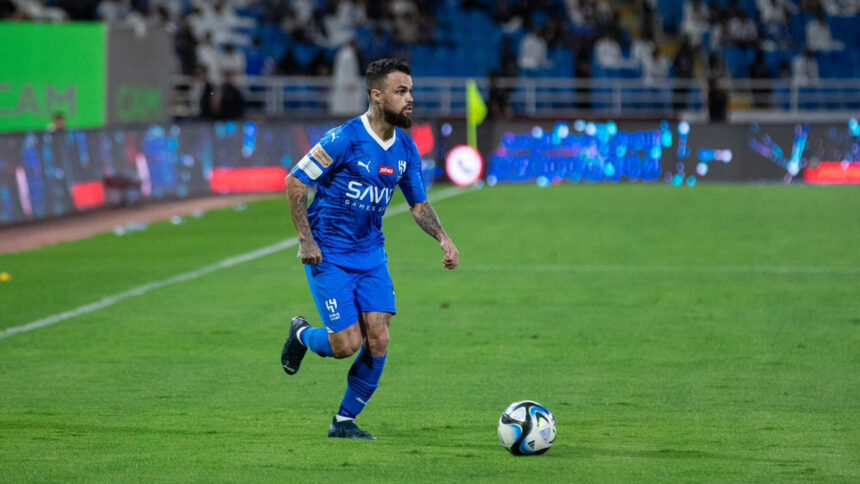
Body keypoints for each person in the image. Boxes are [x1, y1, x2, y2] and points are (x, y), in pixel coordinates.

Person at [281, 59, 460, 440]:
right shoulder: (343, 139)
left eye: (411, 91)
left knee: (378, 337)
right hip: (328, 254)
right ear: (376, 96)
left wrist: (443, 238)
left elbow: (418, 203)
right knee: (347, 345)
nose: (410, 99)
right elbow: (295, 181)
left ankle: (344, 422)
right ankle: (301, 336)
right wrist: (306, 239)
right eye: (401, 91)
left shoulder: (406, 149)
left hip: (371, 256)